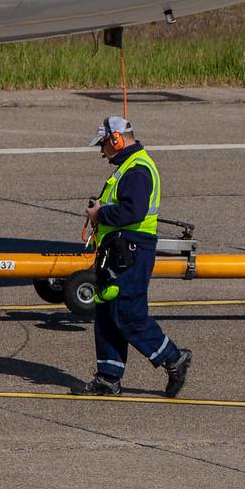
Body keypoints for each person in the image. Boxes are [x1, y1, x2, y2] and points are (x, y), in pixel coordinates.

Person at [81, 115, 192, 397]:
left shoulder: (137, 170)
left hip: (131, 252)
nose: (101, 151)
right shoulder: (128, 168)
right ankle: (108, 376)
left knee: (128, 314)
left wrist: (100, 213)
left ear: (116, 139)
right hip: (118, 250)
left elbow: (133, 212)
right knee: (107, 313)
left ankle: (172, 358)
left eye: (103, 144)